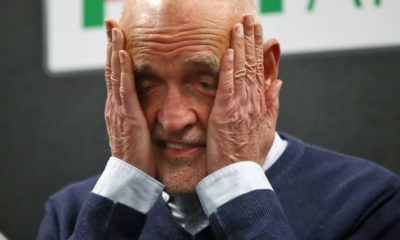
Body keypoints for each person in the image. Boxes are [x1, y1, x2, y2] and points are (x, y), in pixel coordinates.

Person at [37, 0, 400, 239]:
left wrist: (237, 185)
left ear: (265, 69)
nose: (174, 118)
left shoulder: (367, 203)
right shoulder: (74, 213)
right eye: (146, 85)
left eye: (205, 83)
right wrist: (118, 202)